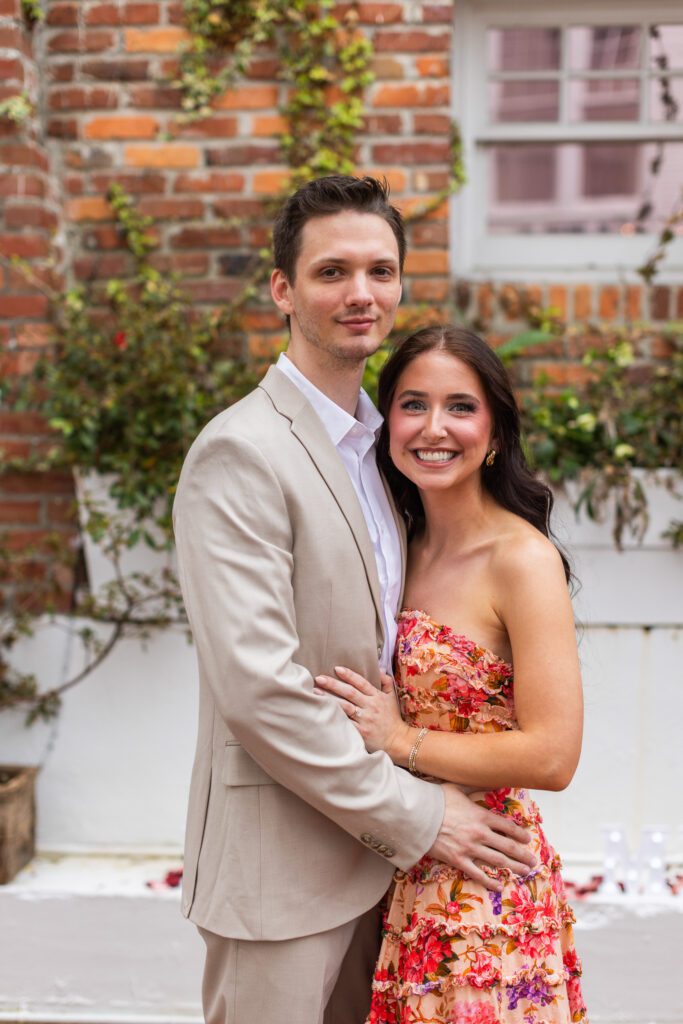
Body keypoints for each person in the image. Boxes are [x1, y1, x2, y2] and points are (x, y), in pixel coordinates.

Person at [172, 177, 535, 1024]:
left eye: (380, 270)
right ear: (282, 289)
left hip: (392, 879)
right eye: (332, 271)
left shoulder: (391, 452)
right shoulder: (241, 452)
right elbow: (259, 692)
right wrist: (417, 816)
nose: (360, 294)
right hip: (283, 871)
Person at [315, 325, 588, 1022]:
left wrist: (398, 739)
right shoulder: (395, 548)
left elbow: (553, 755)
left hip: (485, 885)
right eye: (413, 404)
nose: (434, 428)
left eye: (460, 407)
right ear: (386, 424)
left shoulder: (520, 561)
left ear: (494, 431)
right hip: (403, 875)